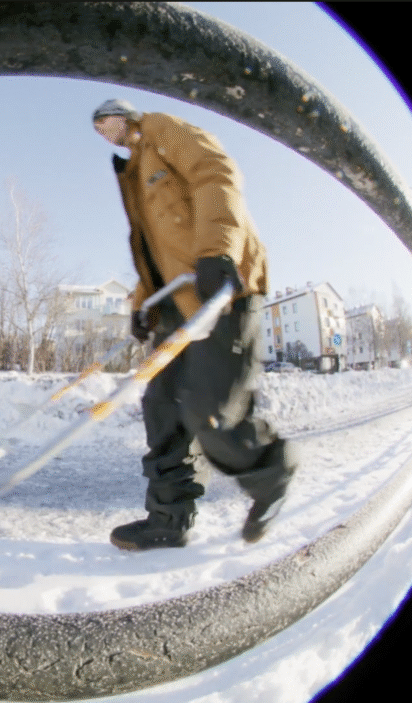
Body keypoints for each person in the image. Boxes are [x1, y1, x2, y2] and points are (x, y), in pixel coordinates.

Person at [91, 98, 298, 549]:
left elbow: (216, 172)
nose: (105, 133)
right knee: (162, 408)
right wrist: (142, 304)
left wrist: (218, 250)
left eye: (106, 121)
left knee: (210, 411)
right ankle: (168, 519)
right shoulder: (134, 176)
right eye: (98, 131)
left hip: (221, 290)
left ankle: (271, 473)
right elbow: (154, 254)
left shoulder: (163, 130)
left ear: (125, 115)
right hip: (177, 304)